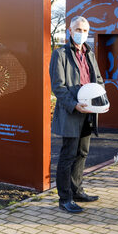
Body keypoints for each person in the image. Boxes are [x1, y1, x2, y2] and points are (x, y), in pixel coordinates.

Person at [49, 16, 106, 213]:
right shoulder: (60, 54)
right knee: (68, 155)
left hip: (88, 112)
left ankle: (77, 190)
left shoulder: (90, 54)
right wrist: (74, 105)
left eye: (84, 30)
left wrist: (101, 99)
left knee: (82, 153)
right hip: (71, 112)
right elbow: (58, 87)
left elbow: (98, 79)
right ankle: (64, 198)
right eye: (77, 29)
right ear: (70, 31)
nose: (81, 33)